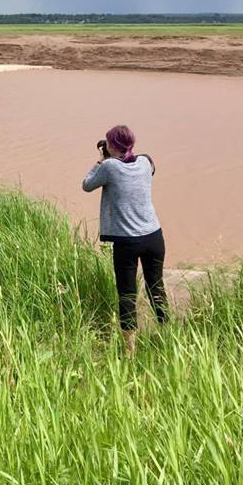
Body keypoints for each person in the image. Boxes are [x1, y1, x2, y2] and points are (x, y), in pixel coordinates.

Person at [82, 125, 167, 353]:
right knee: (156, 287)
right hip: (154, 237)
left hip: (127, 242)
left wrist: (101, 159)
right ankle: (168, 335)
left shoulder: (108, 167)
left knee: (127, 294)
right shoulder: (146, 162)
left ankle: (130, 350)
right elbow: (137, 167)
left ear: (110, 146)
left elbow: (87, 185)